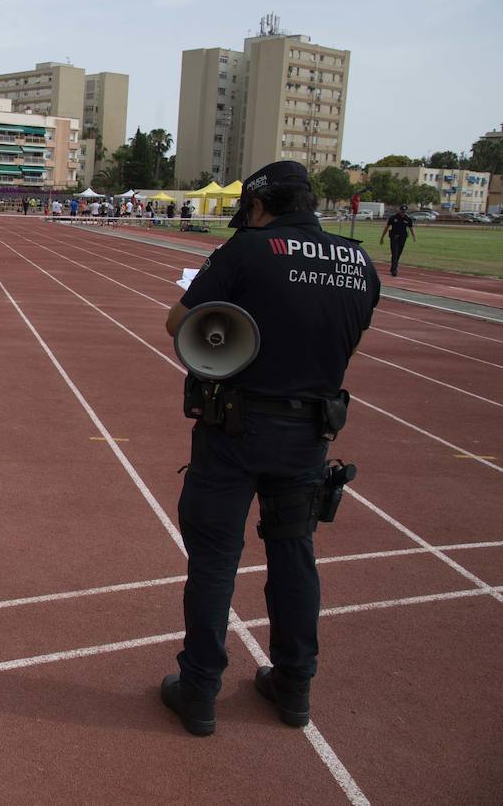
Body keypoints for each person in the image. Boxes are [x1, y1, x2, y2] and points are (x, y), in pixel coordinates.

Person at [159, 160, 379, 737]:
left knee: (213, 561)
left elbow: (179, 324)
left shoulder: (247, 251)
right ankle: (294, 685)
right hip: (310, 432)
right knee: (294, 554)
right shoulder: (359, 261)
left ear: (257, 206)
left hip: (235, 428)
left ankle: (200, 691)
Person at [379, 204, 416, 277]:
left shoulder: (407, 219)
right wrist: (382, 237)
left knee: (398, 254)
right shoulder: (393, 218)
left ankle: (393, 267)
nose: (403, 213)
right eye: (402, 211)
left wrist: (414, 237)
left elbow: (411, 228)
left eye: (404, 211)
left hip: (403, 238)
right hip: (394, 237)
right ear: (399, 210)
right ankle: (394, 270)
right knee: (395, 253)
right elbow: (387, 227)